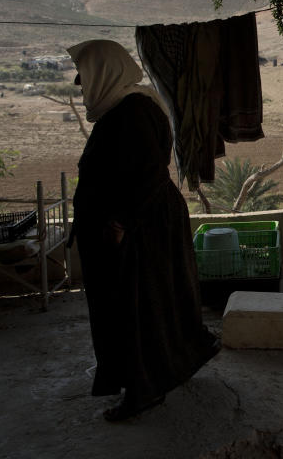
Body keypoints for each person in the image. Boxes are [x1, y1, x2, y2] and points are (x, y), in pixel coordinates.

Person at [68, 39, 220, 422]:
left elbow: (145, 175)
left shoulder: (131, 113)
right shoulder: (128, 107)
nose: (83, 88)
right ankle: (168, 368)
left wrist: (120, 223)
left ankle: (144, 391)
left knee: (134, 310)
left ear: (105, 73)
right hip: (147, 223)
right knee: (156, 303)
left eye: (84, 79)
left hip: (141, 229)